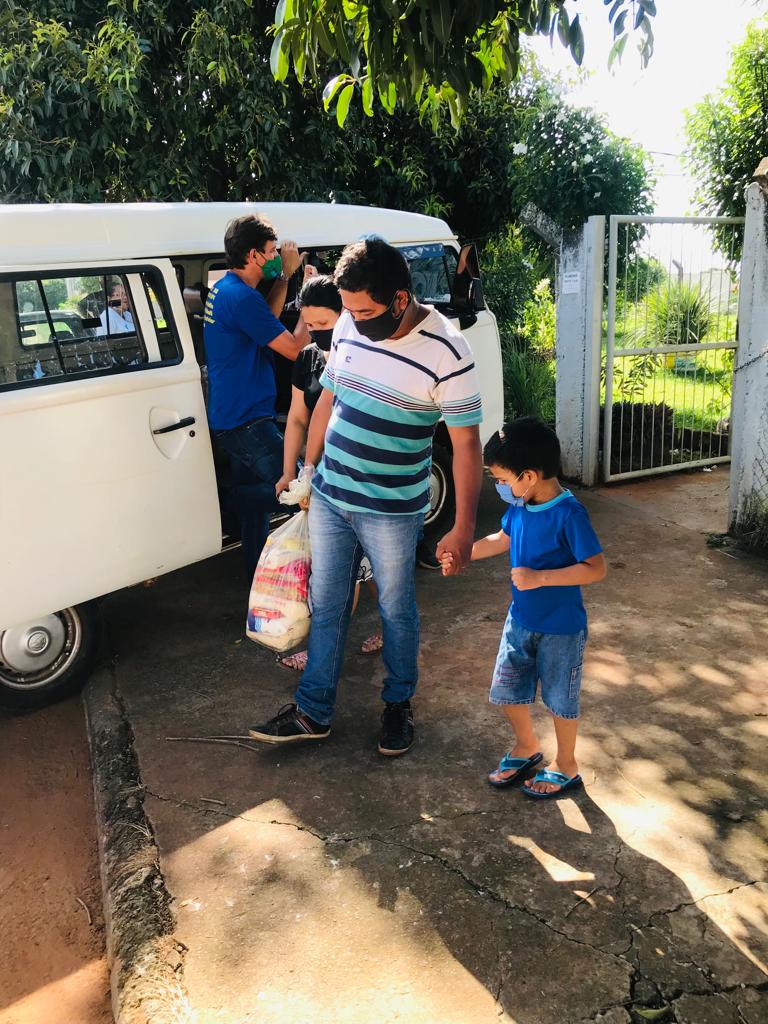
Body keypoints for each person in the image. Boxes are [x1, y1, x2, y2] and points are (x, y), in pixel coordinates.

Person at [248, 238, 483, 756]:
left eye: (365, 309)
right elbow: (329, 397)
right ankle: (313, 711)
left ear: (401, 298)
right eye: (349, 309)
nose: (353, 319)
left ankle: (398, 704)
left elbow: (466, 443)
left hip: (393, 510)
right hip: (332, 496)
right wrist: (309, 473)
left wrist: (462, 526)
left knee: (397, 610)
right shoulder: (350, 323)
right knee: (327, 604)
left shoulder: (447, 350)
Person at [447, 417, 606, 798]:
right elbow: (501, 539)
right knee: (506, 689)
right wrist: (463, 551)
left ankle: (566, 764)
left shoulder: (570, 514)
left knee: (560, 699)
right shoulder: (520, 506)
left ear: (530, 475)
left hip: (562, 628)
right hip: (520, 621)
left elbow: (596, 569)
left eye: (502, 479)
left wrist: (540, 578)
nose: (499, 487)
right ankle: (526, 746)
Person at [275, 270, 383, 670]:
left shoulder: (366, 356)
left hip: (361, 480)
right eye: (311, 324)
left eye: (325, 323)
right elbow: (299, 419)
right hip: (318, 478)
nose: (317, 332)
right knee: (338, 568)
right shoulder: (307, 359)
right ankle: (324, 645)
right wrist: (291, 471)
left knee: (368, 566)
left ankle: (380, 630)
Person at [203, 214, 305, 575]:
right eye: (271, 251)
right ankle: (226, 502)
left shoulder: (229, 290)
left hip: (233, 414)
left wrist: (284, 277)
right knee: (303, 491)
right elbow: (294, 349)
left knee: (257, 517)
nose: (277, 254)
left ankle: (255, 581)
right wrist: (308, 294)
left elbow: (266, 320)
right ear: (254, 255)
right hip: (246, 419)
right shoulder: (241, 298)